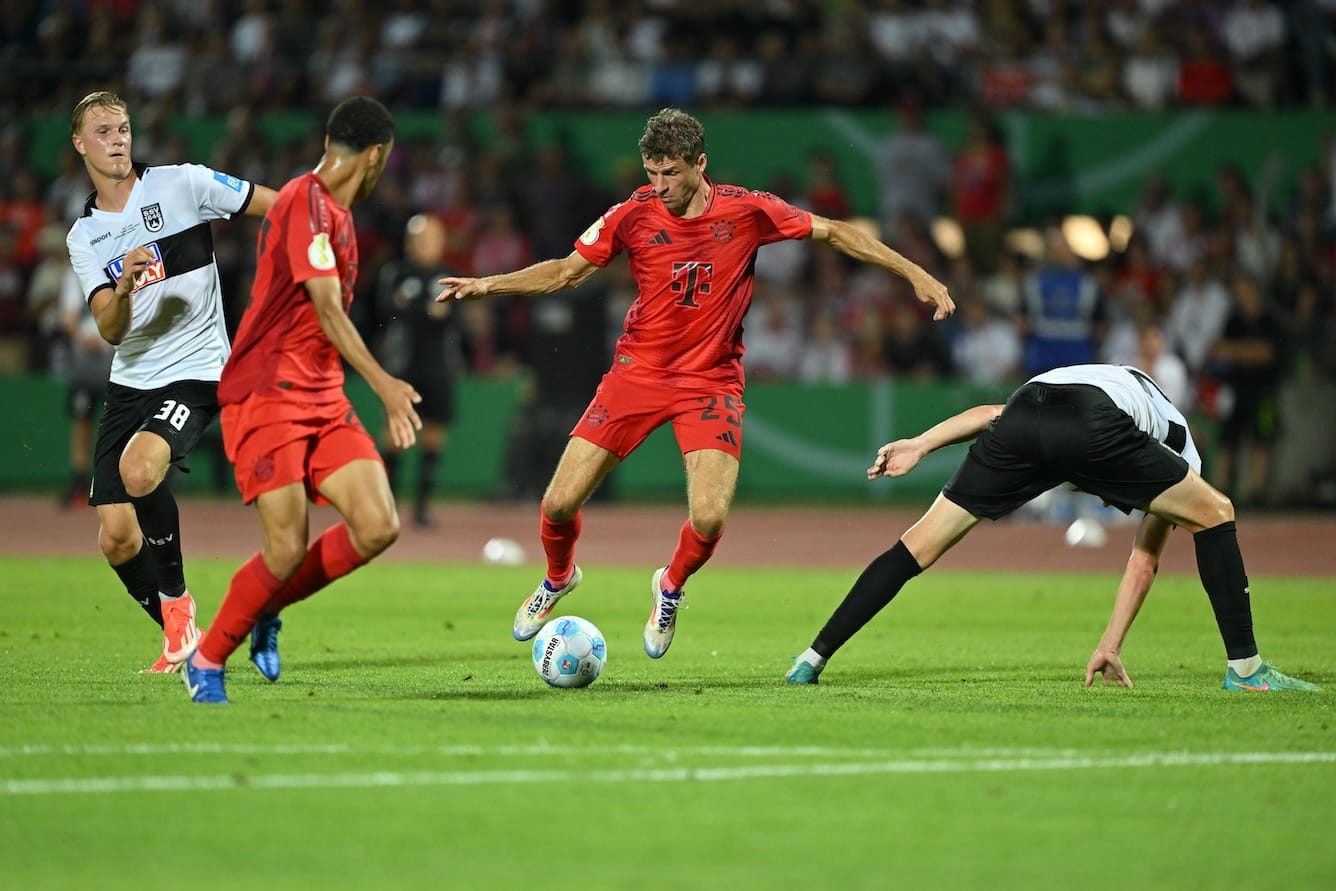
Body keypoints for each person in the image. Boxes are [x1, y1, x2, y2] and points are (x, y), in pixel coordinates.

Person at [438, 107, 954, 660]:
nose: (659, 186)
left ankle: (670, 586)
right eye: (651, 171)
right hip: (637, 373)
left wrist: (915, 273)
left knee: (709, 516)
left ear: (700, 164)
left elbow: (836, 233)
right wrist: (487, 285)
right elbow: (566, 271)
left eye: (671, 173)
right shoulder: (630, 215)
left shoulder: (748, 209)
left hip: (711, 381)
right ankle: (558, 578)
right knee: (559, 503)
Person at [785, 363, 1320, 693]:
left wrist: (921, 444)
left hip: (1026, 408)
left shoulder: (1117, 381)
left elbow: (993, 411)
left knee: (917, 545)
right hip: (1092, 420)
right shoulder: (1182, 446)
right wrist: (1111, 642)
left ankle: (812, 658)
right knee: (1218, 511)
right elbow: (1144, 559)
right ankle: (1247, 671)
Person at [183, 96, 418, 704]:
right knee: (285, 548)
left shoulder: (337, 215)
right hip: (267, 393)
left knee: (377, 525)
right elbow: (326, 307)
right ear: (374, 155)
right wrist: (385, 384)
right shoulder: (303, 203)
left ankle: (265, 605)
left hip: (321, 394)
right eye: (384, 162)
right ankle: (207, 659)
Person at [64, 91, 277, 673]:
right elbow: (109, 329)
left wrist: (315, 239)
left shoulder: (183, 184)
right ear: (80, 144)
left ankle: (178, 603)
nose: (117, 139)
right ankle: (186, 636)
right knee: (115, 539)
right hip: (130, 380)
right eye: (103, 131)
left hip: (199, 368)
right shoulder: (84, 238)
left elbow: (275, 206)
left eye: (124, 128)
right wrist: (127, 285)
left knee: (139, 471)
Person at [374, 213, 460, 529]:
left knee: (433, 439)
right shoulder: (394, 273)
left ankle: (422, 508)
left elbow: (447, 318)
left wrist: (413, 310)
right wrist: (425, 311)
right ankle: (387, 507)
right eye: (418, 239)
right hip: (402, 368)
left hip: (439, 369)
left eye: (430, 238)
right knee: (395, 438)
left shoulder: (449, 275)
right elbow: (388, 312)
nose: (423, 245)